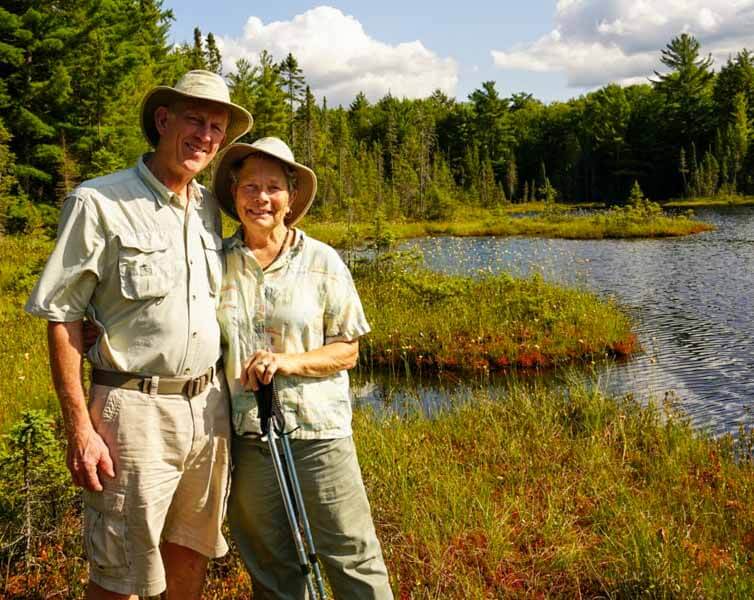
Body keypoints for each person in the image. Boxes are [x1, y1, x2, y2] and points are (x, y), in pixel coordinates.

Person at [24, 70, 252, 600]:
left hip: (209, 407)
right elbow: (62, 317)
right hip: (132, 412)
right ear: (163, 119)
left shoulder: (208, 209)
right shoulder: (98, 202)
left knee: (191, 555)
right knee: (120, 574)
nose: (206, 136)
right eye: (194, 120)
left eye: (217, 127)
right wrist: (79, 428)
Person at [213, 137, 394, 599]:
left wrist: (287, 362)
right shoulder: (216, 262)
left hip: (318, 433)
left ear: (291, 198)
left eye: (273, 187)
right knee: (271, 563)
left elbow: (347, 350)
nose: (261, 198)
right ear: (234, 194)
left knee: (351, 552)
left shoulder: (322, 262)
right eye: (250, 186)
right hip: (248, 436)